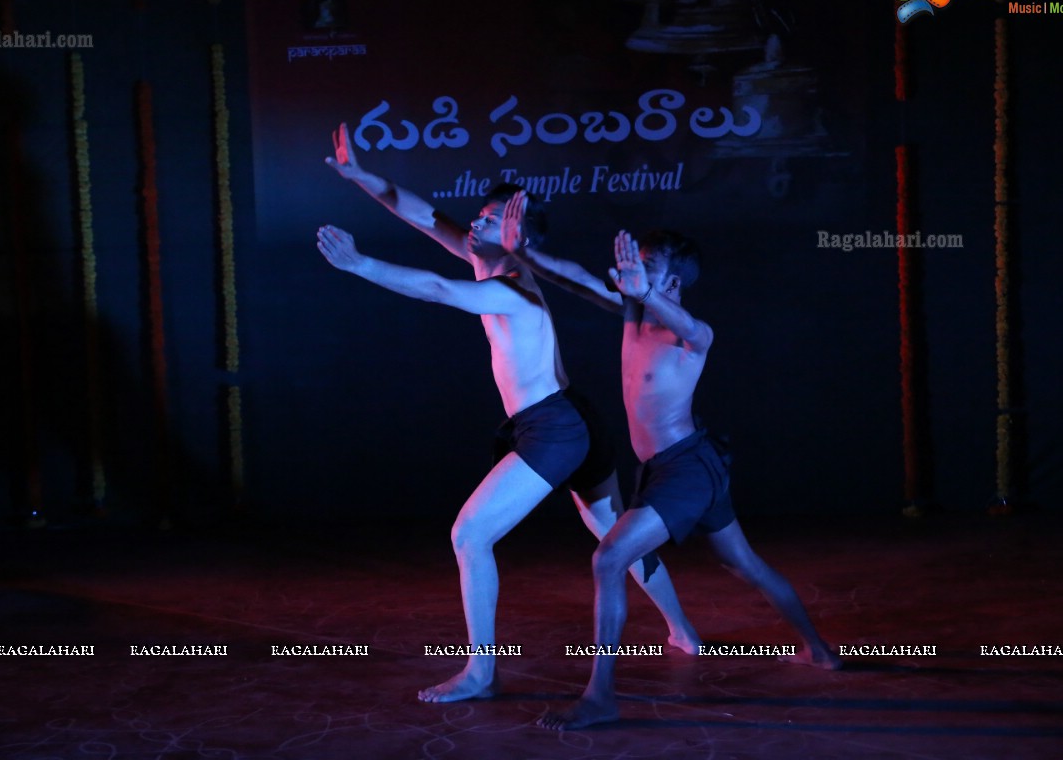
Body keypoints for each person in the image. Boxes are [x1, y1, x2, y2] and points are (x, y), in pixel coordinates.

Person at [320, 124, 700, 704]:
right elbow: (421, 214)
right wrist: (360, 175)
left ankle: (480, 672)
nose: (473, 223)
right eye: (478, 215)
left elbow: (435, 289)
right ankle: (683, 631)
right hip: (572, 418)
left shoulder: (512, 288)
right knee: (613, 533)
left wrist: (359, 265)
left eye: (490, 220)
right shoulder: (485, 259)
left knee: (470, 535)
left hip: (555, 428)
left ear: (515, 237)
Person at [495, 197, 841, 730]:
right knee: (742, 564)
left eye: (643, 266)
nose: (624, 273)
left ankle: (600, 697)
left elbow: (696, 330)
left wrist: (647, 291)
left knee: (608, 559)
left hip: (687, 469)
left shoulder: (688, 331)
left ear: (673, 281)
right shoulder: (632, 309)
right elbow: (577, 280)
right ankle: (819, 650)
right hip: (672, 469)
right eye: (630, 264)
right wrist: (528, 253)